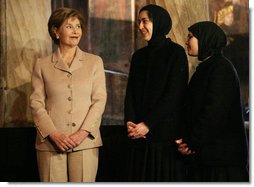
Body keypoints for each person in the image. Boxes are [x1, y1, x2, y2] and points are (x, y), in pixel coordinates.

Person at [30, 7, 107, 182]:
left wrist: (82, 133)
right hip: (50, 143)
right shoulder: (42, 64)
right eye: (69, 26)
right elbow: (36, 103)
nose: (75, 31)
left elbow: (99, 100)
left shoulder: (94, 62)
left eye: (78, 26)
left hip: (85, 142)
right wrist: (53, 134)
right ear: (56, 31)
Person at [175, 21, 249, 182]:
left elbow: (214, 113)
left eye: (191, 37)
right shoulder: (207, 67)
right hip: (208, 157)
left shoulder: (221, 68)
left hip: (221, 162)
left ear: (205, 39)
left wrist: (191, 143)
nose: (186, 41)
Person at [124, 4, 189, 182]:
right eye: (138, 22)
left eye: (145, 21)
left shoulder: (175, 53)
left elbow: (174, 95)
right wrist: (130, 122)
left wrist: (148, 123)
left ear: (158, 22)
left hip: (163, 138)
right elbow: (130, 94)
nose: (140, 27)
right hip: (138, 137)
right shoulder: (138, 56)